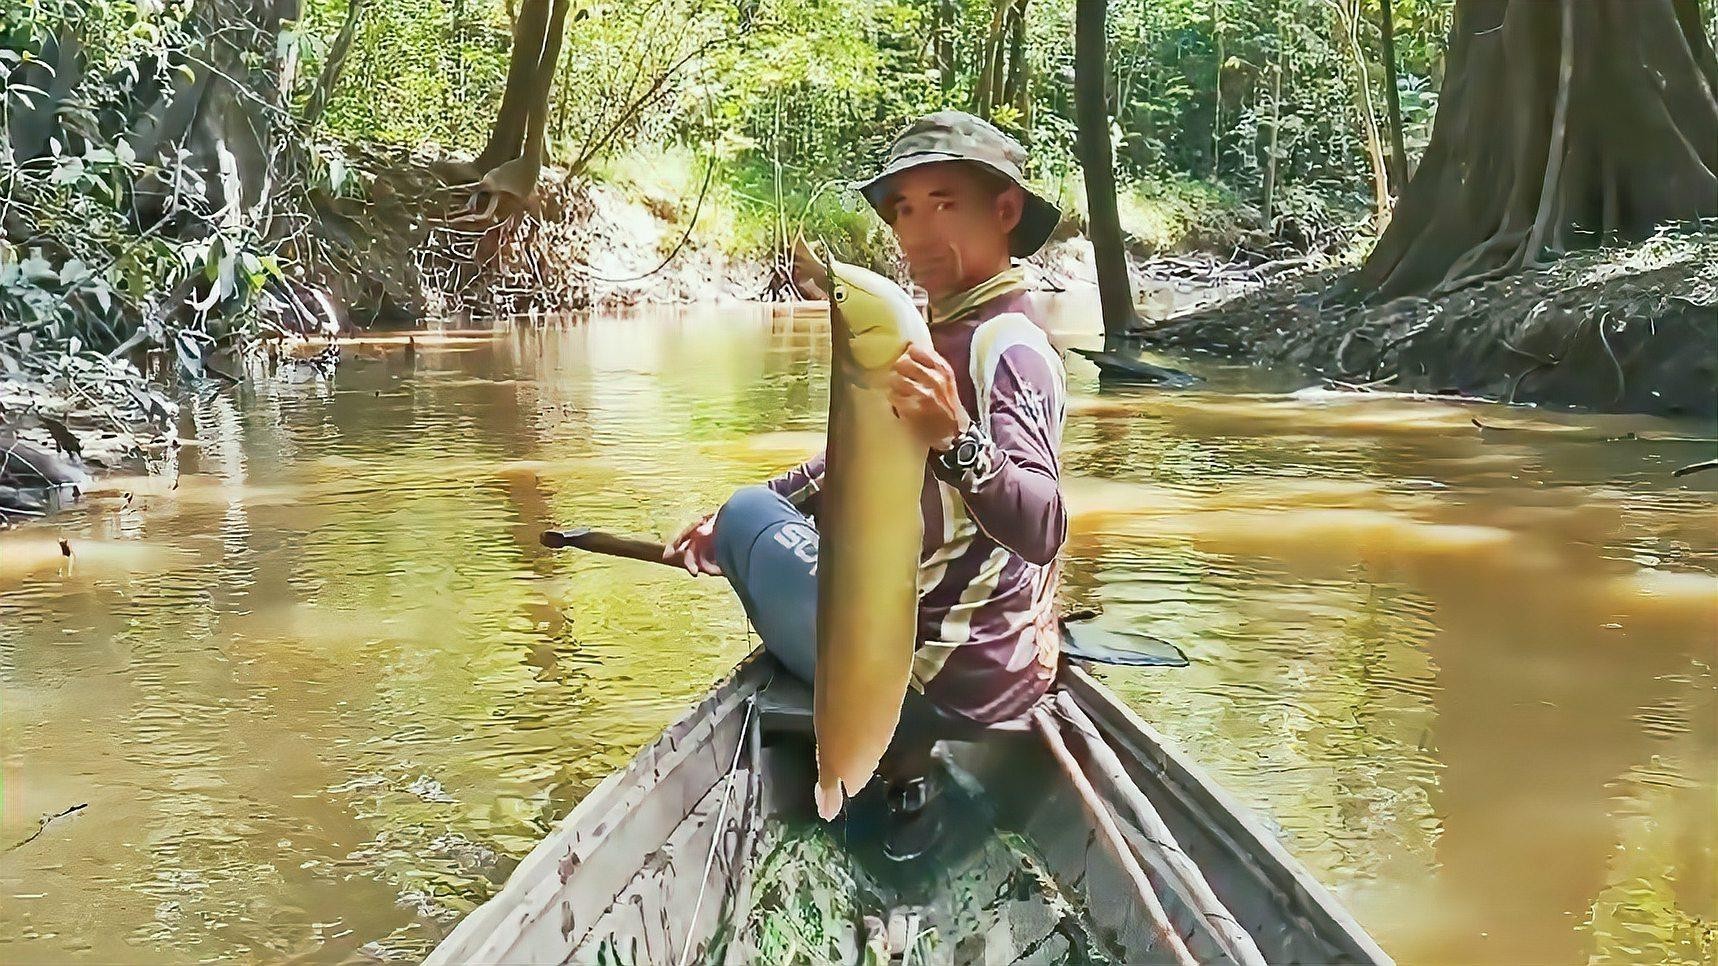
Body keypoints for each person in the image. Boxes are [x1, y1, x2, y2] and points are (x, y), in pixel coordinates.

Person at [664, 110, 1068, 858]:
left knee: (752, 515)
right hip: (996, 676)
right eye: (903, 209)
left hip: (933, 683)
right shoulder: (940, 333)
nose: (915, 232)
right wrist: (741, 513)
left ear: (1005, 211)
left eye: (943, 202)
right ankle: (900, 761)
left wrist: (957, 437)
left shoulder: (1006, 348)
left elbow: (1044, 526)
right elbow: (850, 464)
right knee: (753, 511)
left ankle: (895, 753)